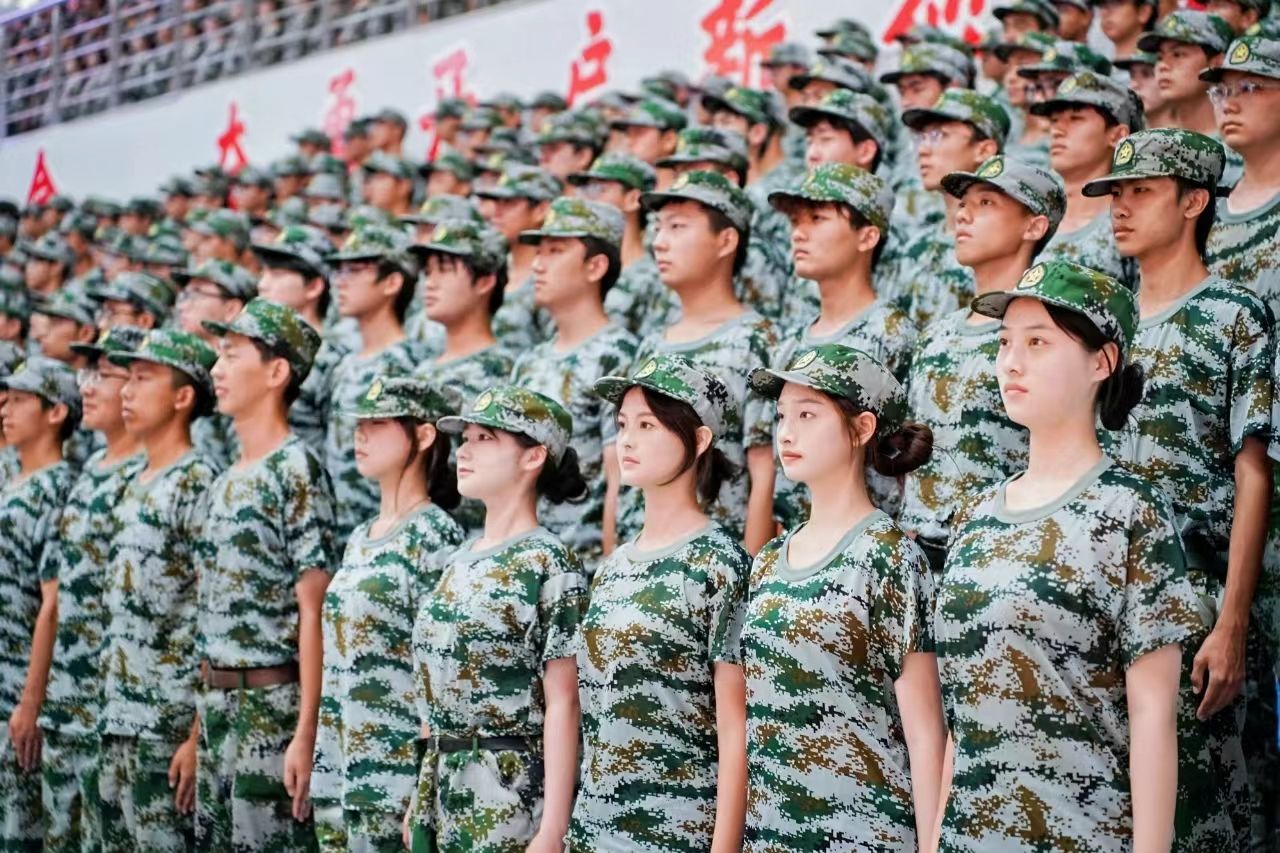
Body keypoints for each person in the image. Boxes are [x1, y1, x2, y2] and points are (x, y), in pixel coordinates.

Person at [934, 259, 1203, 850]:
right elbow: (962, 715)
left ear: (1101, 362)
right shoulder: (973, 517)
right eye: (1004, 343)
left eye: (1038, 342)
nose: (1011, 362)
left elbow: (1154, 718)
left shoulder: (1130, 510)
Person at [1085, 127, 1273, 849]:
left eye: (1142, 192)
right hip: (1107, 593)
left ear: (1194, 201)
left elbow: (1255, 471)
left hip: (1197, 599)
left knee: (1206, 816)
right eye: (1115, 193)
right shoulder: (1105, 325)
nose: (1121, 208)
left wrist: (1233, 622)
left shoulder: (1232, 314)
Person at [743, 343, 944, 850]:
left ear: (862, 428)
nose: (786, 432)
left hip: (864, 834)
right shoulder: (769, 560)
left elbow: (926, 737)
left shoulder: (890, 557)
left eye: (808, 415)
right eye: (782, 416)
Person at [571, 355, 749, 850]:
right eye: (622, 425)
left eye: (647, 425)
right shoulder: (612, 567)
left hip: (676, 831)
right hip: (594, 830)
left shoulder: (721, 564)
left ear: (699, 439)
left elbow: (736, 730)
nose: (626, 441)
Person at [409, 386, 587, 852]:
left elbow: (565, 703)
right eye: (465, 438)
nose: (464, 451)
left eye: (485, 438)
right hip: (442, 791)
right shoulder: (456, 560)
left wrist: (554, 828)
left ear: (534, 456)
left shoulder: (550, 562)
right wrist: (420, 794)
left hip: (509, 797)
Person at [197, 299, 337, 850]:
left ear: (277, 372)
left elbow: (314, 609)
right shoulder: (225, 477)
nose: (217, 370)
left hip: (270, 707)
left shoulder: (296, 469)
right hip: (215, 707)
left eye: (233, 355)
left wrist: (306, 732)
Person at [312, 376, 463, 852]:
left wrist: (425, 786)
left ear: (423, 435)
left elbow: (440, 671)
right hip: (340, 772)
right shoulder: (360, 537)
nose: (361, 434)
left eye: (378, 424)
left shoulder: (435, 535)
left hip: (394, 781)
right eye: (359, 424)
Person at [901, 155, 1065, 572]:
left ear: (1034, 226)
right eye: (963, 204)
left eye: (986, 203)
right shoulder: (935, 334)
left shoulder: (1050, 335)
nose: (963, 215)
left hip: (999, 562)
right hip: (917, 564)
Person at [95, 330, 218, 849]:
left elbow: (213, 613)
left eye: (144, 378)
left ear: (183, 396)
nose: (127, 390)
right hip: (117, 719)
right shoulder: (132, 482)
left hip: (166, 726)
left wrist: (195, 735)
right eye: (127, 378)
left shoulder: (197, 481)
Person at [627, 170, 779, 553]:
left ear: (726, 240)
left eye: (677, 227)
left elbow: (764, 469)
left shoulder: (756, 340)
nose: (659, 242)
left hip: (717, 561)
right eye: (658, 228)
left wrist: (751, 570)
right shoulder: (651, 344)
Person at [38, 326, 146, 851]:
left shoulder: (147, 479)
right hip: (68, 703)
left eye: (105, 375)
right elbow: (55, 598)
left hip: (116, 713)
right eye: (87, 374)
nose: (89, 387)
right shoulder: (87, 475)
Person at [766, 163, 916, 527]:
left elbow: (912, 457)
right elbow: (776, 478)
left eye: (817, 219)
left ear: (867, 236)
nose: (799, 233)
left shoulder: (893, 334)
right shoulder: (790, 344)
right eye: (795, 221)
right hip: (798, 541)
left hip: (865, 543)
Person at [512, 197, 637, 565]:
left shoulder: (617, 355)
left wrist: (612, 575)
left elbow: (620, 478)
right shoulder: (530, 361)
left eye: (555, 251)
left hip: (585, 566)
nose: (538, 264)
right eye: (539, 251)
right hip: (527, 564)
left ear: (595, 266)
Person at [0, 357, 79, 849]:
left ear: (55, 412)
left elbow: (53, 603)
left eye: (20, 400)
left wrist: (30, 702)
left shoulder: (56, 488)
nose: (6, 409)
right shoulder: (12, 480)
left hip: (16, 695)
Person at [323, 224, 430, 543]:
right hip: (346, 535)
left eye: (355, 270)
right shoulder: (345, 363)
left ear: (392, 282)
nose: (341, 281)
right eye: (340, 271)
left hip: (389, 534)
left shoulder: (406, 363)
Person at [892, 89, 1009, 328]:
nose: (923, 149)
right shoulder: (916, 247)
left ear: (984, 150)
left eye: (940, 135)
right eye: (921, 138)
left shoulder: (1003, 246)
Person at [1032, 70, 1143, 286]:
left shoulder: (1129, 223)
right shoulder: (1030, 216)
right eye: (1054, 120)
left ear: (1117, 135)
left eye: (1076, 118)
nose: (1057, 131)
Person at [251, 226, 348, 455]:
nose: (262, 284)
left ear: (314, 286)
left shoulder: (332, 359)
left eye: (277, 274)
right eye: (263, 272)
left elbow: (339, 451)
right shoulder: (255, 348)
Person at [473, 164, 563, 352]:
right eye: (496, 202)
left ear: (541, 210)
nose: (497, 212)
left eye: (509, 203)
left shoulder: (550, 279)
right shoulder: (488, 270)